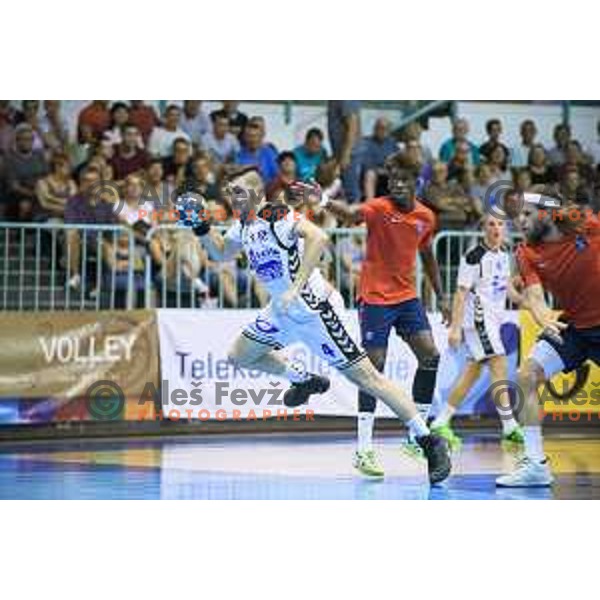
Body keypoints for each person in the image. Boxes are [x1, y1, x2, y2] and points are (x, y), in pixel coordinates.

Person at [185, 166, 452, 484]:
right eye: (230, 191)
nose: (232, 197)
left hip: (314, 309)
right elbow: (219, 251)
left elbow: (319, 237)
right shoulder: (241, 227)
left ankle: (428, 440)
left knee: (368, 378)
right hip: (281, 311)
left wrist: (296, 286)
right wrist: (199, 225)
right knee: (239, 354)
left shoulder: (276, 215)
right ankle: (304, 380)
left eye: (239, 191)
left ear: (257, 194)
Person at [323, 152, 451, 477]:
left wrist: (442, 296)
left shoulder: (426, 216)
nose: (395, 184)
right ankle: (364, 450)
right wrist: (322, 199)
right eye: (391, 179)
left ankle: (415, 434)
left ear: (415, 183)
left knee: (430, 355)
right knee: (373, 370)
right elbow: (351, 215)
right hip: (376, 298)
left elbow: (428, 255)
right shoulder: (379, 208)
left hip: (407, 297)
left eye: (402, 179)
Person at [495, 192, 600, 487]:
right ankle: (536, 465)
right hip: (573, 328)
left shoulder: (581, 222)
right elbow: (536, 299)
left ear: (546, 213)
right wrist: (544, 320)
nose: (521, 221)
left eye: (527, 214)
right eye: (518, 215)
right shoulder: (526, 253)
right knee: (526, 375)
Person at [430, 214, 526, 449]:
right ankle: (509, 425)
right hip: (478, 321)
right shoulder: (473, 257)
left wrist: (529, 302)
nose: (496, 228)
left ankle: (441, 421)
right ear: (483, 227)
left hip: (494, 321)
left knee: (471, 372)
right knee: (499, 363)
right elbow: (461, 293)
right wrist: (455, 328)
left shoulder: (504, 254)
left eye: (500, 224)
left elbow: (507, 292)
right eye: (491, 224)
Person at [327, 101, 362, 203]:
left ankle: (355, 219)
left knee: (351, 194)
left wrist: (346, 155)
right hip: (341, 153)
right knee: (342, 193)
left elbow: (352, 126)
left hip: (349, 154)